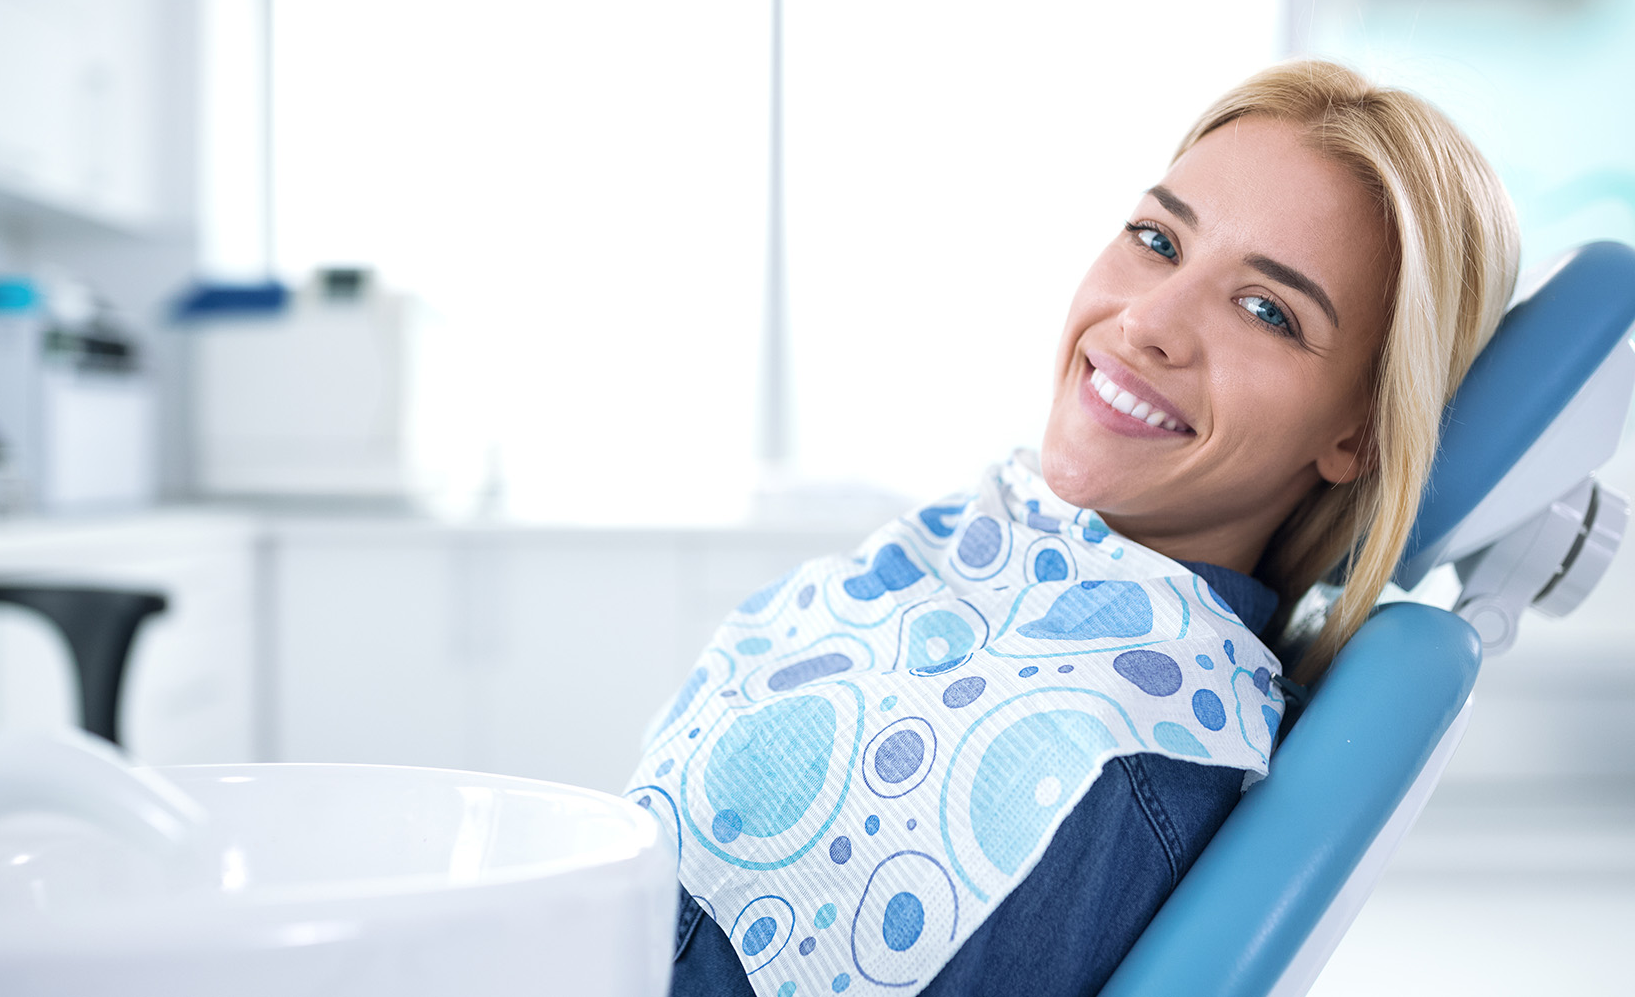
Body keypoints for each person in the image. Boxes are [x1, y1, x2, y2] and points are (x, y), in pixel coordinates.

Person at [626, 58, 1520, 997]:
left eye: (1267, 310)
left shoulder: (1104, 764)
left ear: (1359, 432)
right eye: (1157, 239)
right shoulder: (990, 543)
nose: (1147, 323)